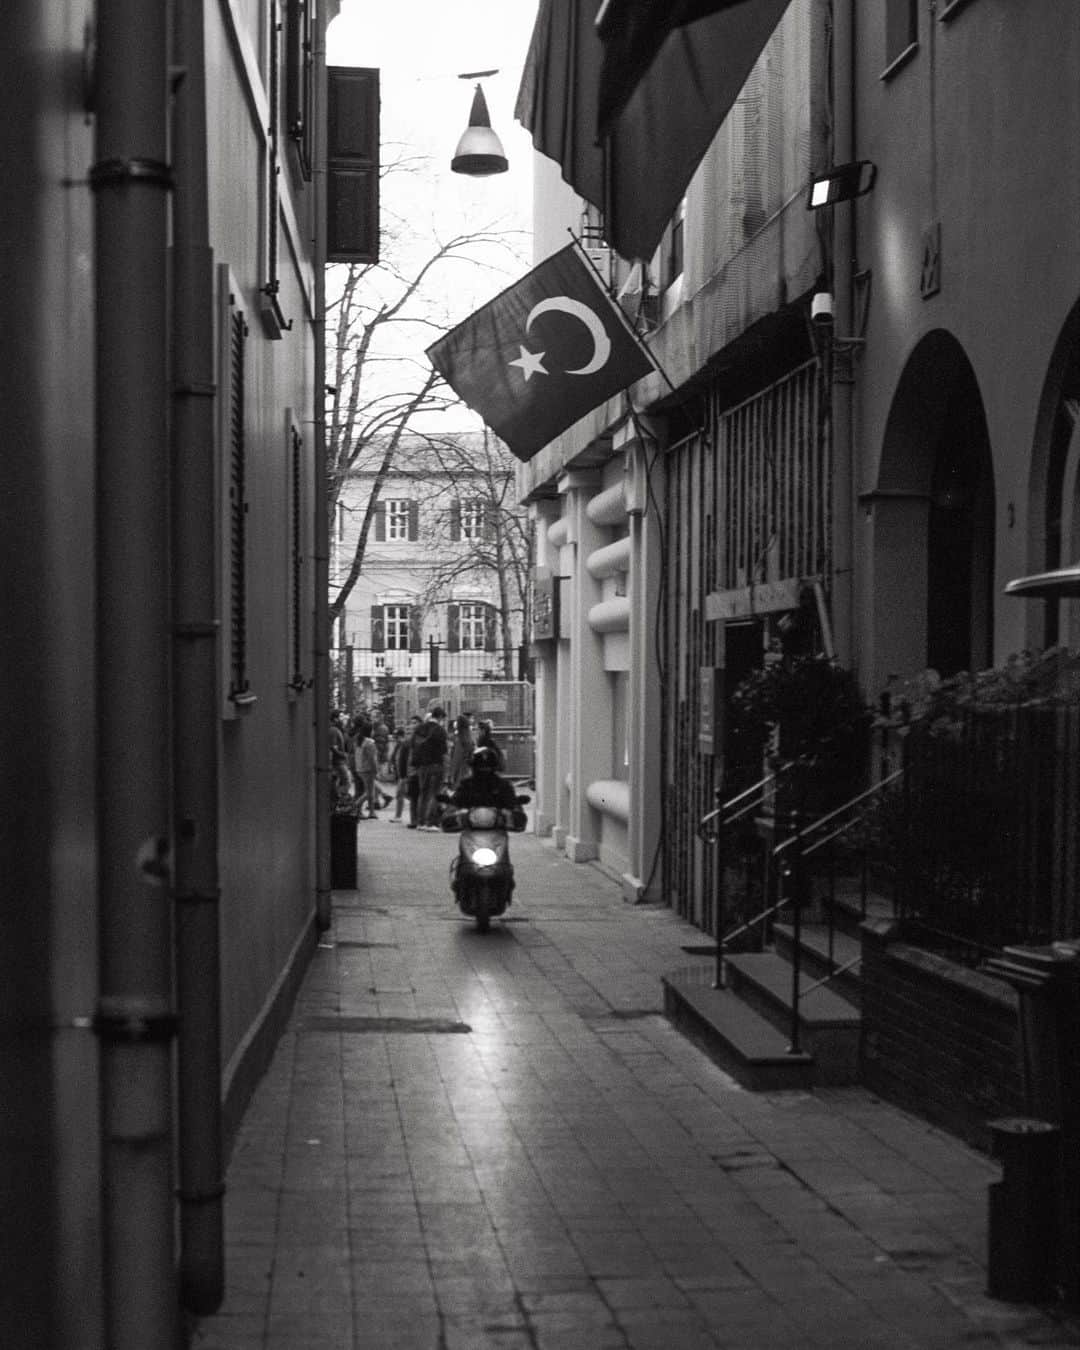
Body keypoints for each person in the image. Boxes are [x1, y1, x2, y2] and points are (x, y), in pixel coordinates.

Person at [449, 745, 521, 819]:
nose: (484, 771)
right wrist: (453, 813)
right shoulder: (466, 785)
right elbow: (454, 803)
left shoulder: (503, 785)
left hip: (498, 827)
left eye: (487, 768)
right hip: (469, 827)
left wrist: (514, 813)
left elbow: (514, 806)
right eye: (480, 767)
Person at [410, 704, 448, 830]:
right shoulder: (440, 730)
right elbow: (444, 750)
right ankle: (431, 822)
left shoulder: (420, 728)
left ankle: (420, 822)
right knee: (435, 793)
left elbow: (413, 746)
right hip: (436, 764)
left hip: (422, 766)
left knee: (423, 793)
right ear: (440, 717)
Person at [353, 728, 380, 819]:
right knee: (369, 792)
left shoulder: (358, 741)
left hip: (360, 768)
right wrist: (376, 770)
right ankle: (355, 806)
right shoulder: (370, 743)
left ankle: (372, 812)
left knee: (370, 790)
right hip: (368, 769)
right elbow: (372, 758)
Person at [447, 713, 475, 790]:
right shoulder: (470, 739)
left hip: (460, 772)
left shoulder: (459, 740)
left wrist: (451, 775)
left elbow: (456, 759)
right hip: (469, 771)